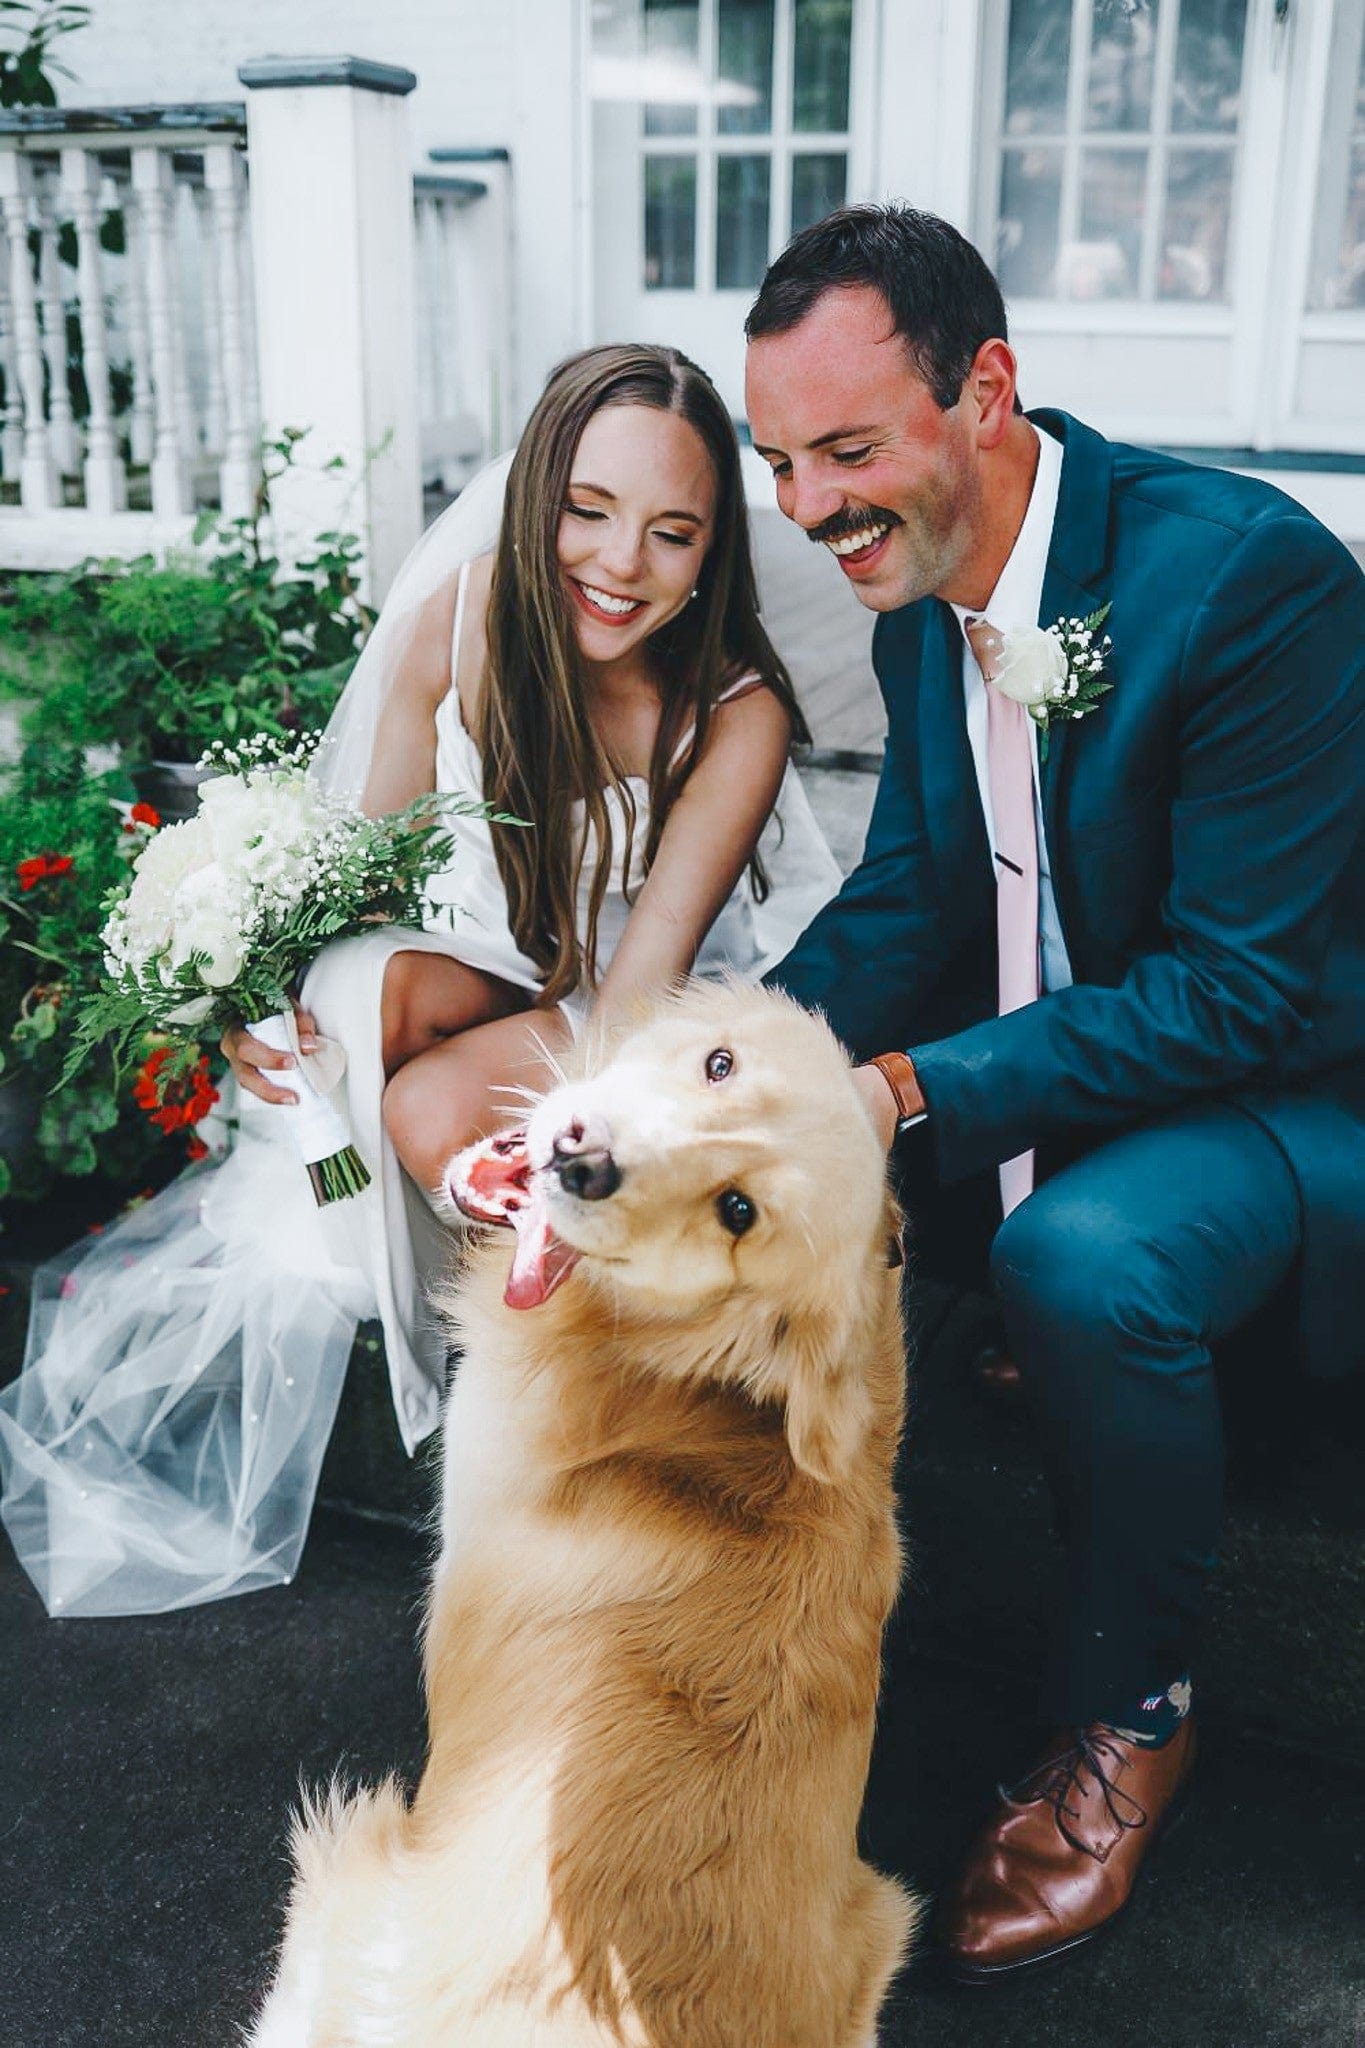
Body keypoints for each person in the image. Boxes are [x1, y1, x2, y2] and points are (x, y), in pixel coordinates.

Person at [743, 205, 1365, 1982]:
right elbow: (921, 891)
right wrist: (737, 1071)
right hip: (1101, 1064)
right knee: (743, 1176)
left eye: (848, 452)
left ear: (989, 389)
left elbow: (1244, 988)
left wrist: (906, 1090)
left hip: (1310, 1090)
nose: (808, 506)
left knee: (1084, 1264)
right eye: (784, 462)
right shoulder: (915, 580)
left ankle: (1135, 1715)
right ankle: (720, 1644)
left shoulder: (1247, 577)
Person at [0, 343, 841, 1619]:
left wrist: (585, 1118)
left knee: (420, 1111)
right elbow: (356, 875)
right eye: (589, 513)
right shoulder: (461, 618)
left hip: (629, 1005)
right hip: (472, 964)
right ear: (538, 491)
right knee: (355, 981)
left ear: (714, 547)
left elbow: (641, 984)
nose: (621, 565)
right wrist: (255, 1006)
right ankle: (521, 1251)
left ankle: (554, 1331)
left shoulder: (734, 713)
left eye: (673, 534)